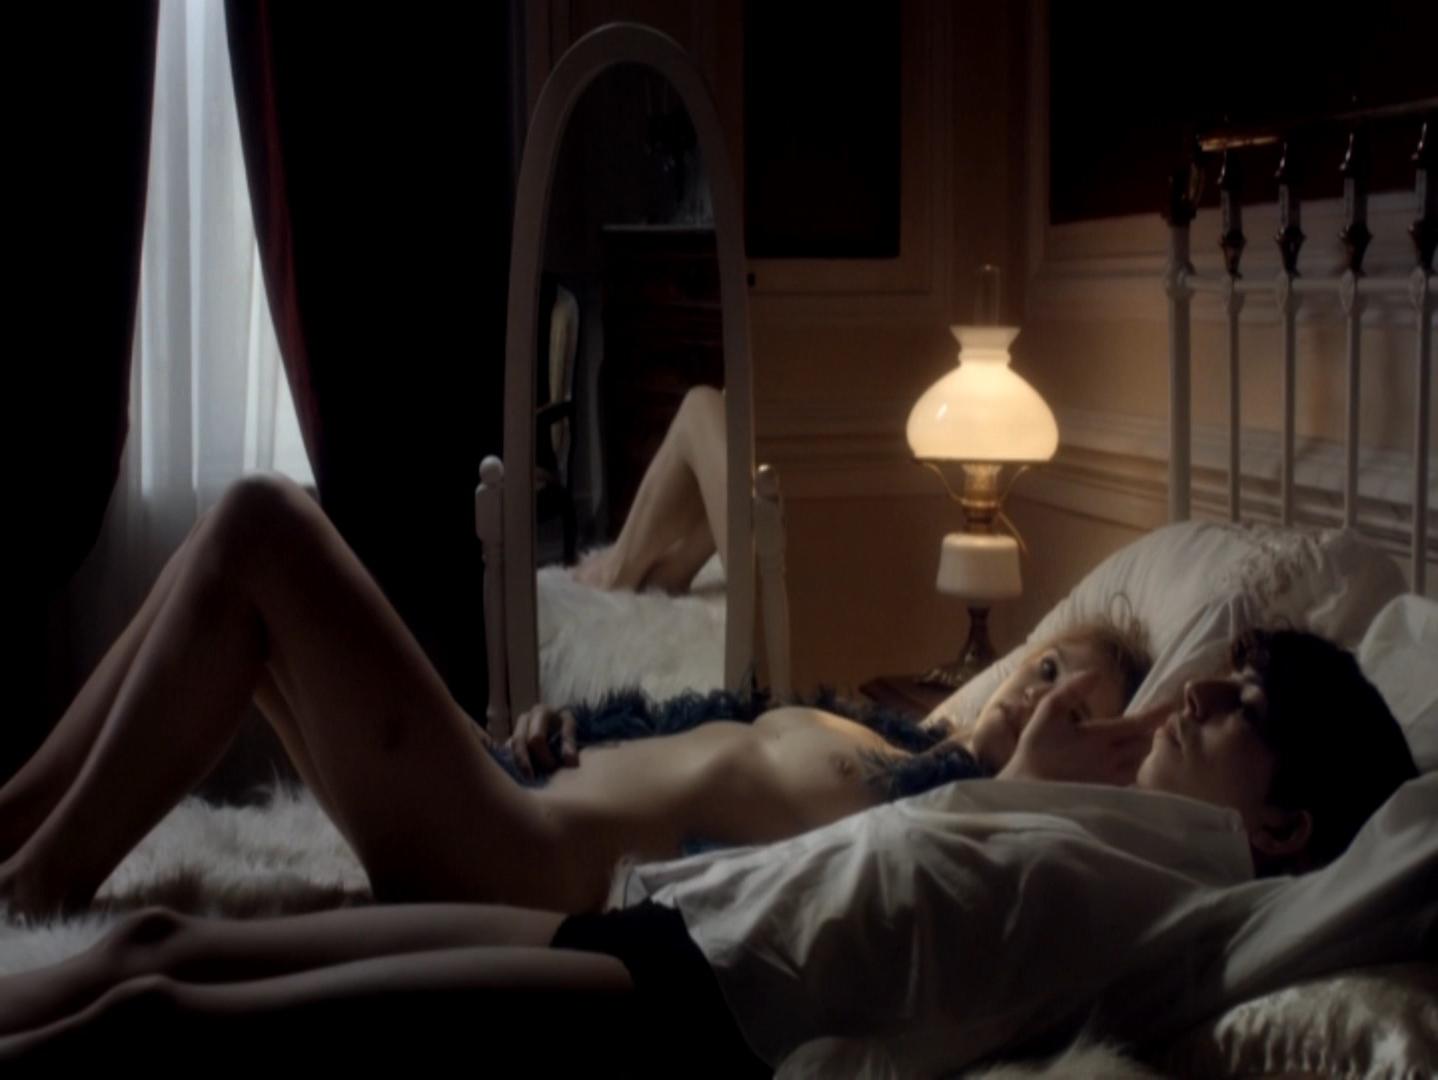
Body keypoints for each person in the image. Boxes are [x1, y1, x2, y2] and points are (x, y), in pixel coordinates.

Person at [0, 626, 1419, 1070]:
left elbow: (1410, 845)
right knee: (157, 942)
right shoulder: (1078, 803)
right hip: (670, 916)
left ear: (1284, 823)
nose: (1188, 700)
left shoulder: (1203, 902)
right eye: (1207, 676)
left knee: (161, 1016)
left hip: (692, 1013)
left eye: (1234, 706)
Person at [0, 464, 1148, 922]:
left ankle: (37, 887)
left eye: (1076, 712)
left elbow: (930, 877)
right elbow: (688, 746)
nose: (1040, 698)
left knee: (265, 523)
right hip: (507, 779)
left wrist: (1029, 776)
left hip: (513, 852)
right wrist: (568, 727)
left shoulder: (965, 824)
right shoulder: (877, 728)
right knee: (232, 547)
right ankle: (14, 828)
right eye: (1047, 671)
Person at [573, 384, 726, 593]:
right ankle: (677, 564)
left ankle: (621, 567)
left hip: (771, 574)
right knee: (730, 407)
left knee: (699, 407)